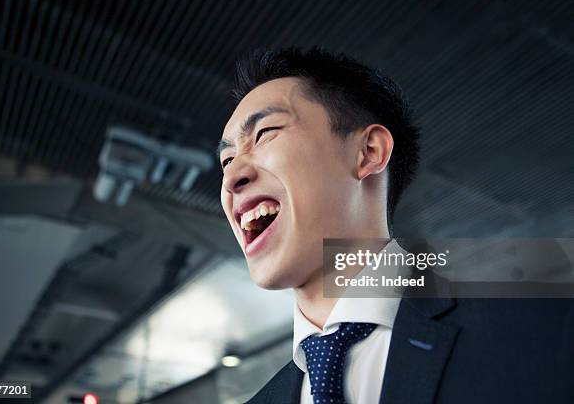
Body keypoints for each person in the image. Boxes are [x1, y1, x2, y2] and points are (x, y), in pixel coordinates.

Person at [217, 47, 574, 404]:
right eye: (227, 159)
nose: (232, 176)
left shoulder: (541, 329)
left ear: (369, 152)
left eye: (265, 133)